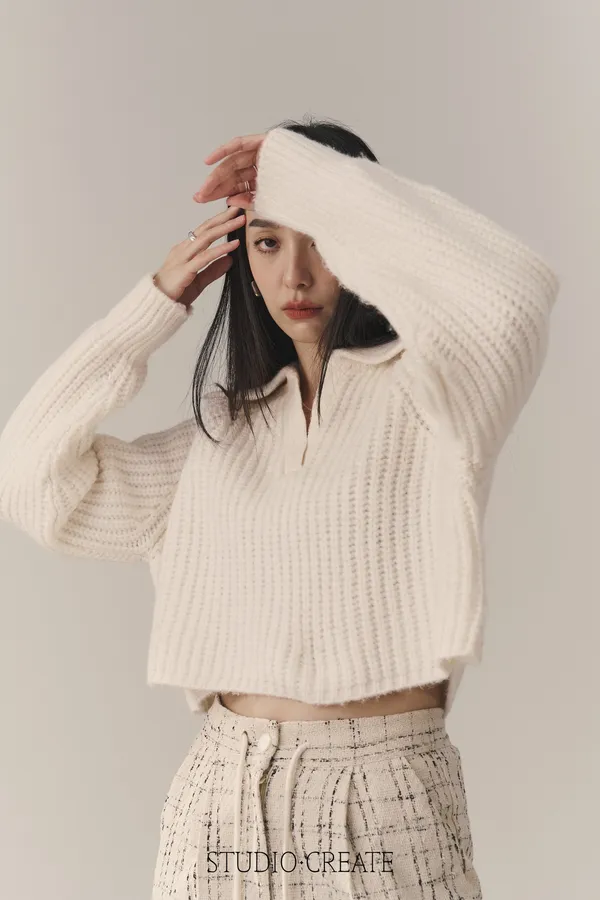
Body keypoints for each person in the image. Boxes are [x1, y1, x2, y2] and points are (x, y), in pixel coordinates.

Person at [0, 115, 560, 899]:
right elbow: (31, 481)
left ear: (365, 240)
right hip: (222, 796)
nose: (295, 276)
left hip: (381, 794)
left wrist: (315, 177)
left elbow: (515, 297)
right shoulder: (218, 439)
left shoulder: (439, 400)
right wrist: (152, 305)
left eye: (323, 240)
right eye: (267, 243)